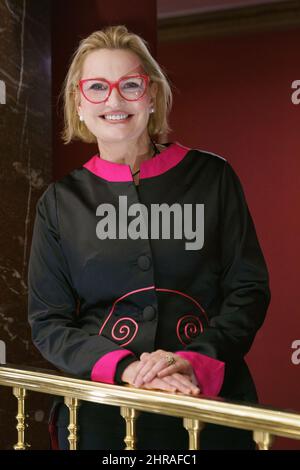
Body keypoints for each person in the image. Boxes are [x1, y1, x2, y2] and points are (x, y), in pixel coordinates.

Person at [28, 25, 271, 450]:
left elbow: (247, 290)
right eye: (98, 88)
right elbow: (48, 323)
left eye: (131, 85)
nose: (115, 101)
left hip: (208, 404)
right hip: (101, 413)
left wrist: (190, 359)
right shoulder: (58, 202)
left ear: (152, 96)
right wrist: (126, 368)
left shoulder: (213, 178)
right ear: (78, 103)